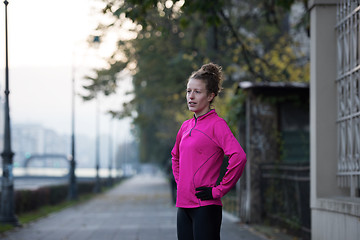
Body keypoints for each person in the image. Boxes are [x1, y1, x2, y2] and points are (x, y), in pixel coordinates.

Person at [171, 63, 247, 240]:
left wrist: (218, 190)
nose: (191, 96)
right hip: (183, 207)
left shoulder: (217, 125)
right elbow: (175, 157)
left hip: (206, 207)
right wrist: (181, 182)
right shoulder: (185, 126)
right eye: (189, 91)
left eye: (197, 92)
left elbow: (239, 157)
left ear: (210, 96)